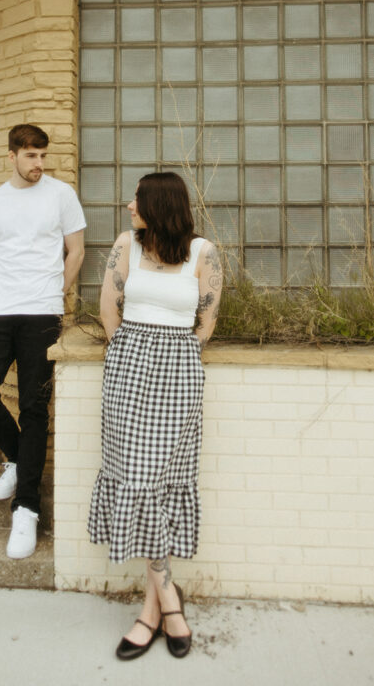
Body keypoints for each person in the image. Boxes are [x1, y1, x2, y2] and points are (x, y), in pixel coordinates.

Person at [88, 171, 222, 660]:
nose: (128, 205)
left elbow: (205, 322)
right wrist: (130, 352)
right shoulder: (127, 245)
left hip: (179, 377)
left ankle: (152, 610)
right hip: (127, 372)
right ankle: (166, 602)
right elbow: (109, 308)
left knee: (161, 485)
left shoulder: (204, 253)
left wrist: (174, 357)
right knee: (139, 482)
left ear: (159, 205)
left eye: (137, 199)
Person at [0, 124, 86, 559]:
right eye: (31, 156)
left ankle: (28, 508)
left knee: (35, 407)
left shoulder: (61, 195)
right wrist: (4, 290)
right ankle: (19, 461)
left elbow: (76, 250)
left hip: (42, 310)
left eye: (42, 156)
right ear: (12, 155)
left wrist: (56, 295)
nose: (38, 164)